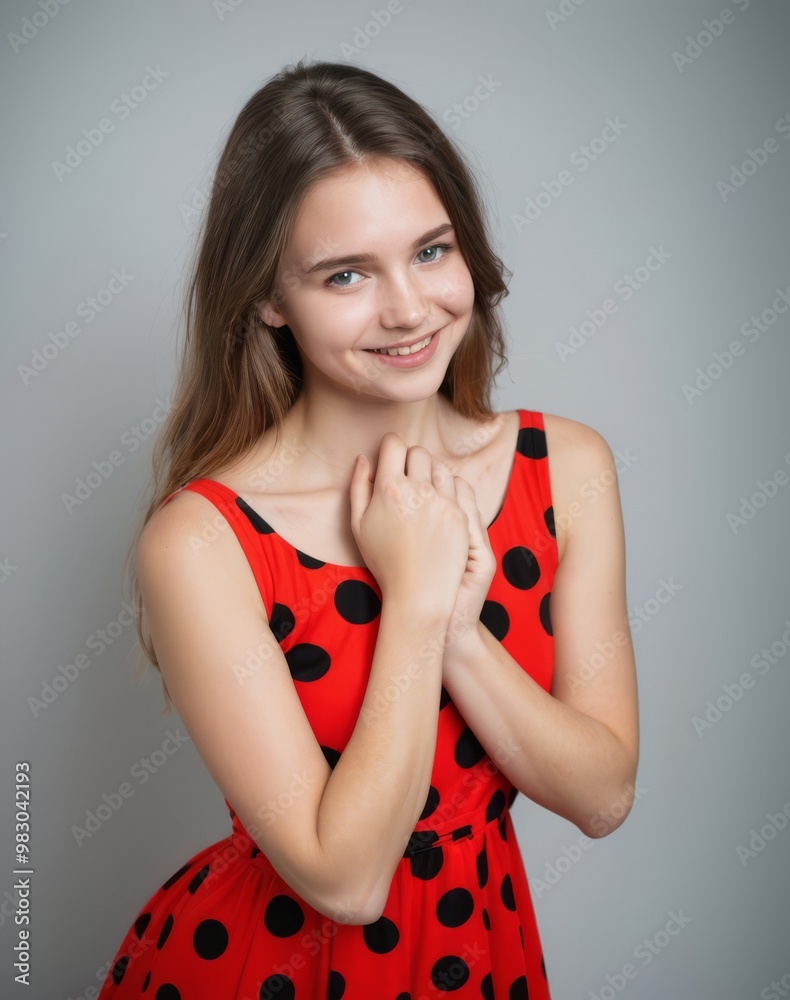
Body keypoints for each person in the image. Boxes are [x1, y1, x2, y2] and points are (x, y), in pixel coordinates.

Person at [97, 59, 638, 1000]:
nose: (407, 308)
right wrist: (417, 602)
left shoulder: (568, 471)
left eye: (431, 251)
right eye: (345, 273)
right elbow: (342, 879)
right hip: (265, 971)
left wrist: (458, 626)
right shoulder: (200, 542)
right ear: (267, 298)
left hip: (480, 960)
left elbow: (602, 795)